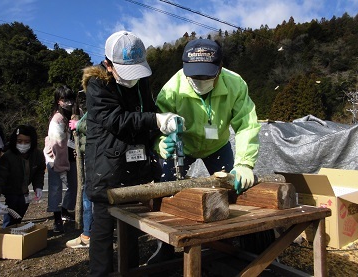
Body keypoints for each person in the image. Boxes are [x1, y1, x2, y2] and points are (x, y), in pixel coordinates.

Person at [151, 38, 261, 263]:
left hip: (217, 145)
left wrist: (245, 163)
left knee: (232, 189)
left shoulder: (236, 84)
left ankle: (226, 241)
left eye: (207, 76)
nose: (200, 81)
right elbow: (155, 124)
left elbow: (247, 124)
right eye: (195, 76)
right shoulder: (171, 89)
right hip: (183, 146)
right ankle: (163, 245)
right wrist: (159, 144)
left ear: (220, 68)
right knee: (166, 190)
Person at [83, 30, 183, 276]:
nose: (133, 79)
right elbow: (116, 120)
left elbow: (146, 113)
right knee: (104, 230)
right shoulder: (97, 86)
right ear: (108, 65)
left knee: (131, 227)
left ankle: (129, 271)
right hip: (106, 168)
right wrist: (156, 120)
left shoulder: (141, 82)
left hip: (134, 165)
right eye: (126, 72)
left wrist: (158, 137)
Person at [0, 125, 45, 227]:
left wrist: (38, 186)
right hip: (10, 190)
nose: (23, 144)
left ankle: (16, 229)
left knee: (21, 209)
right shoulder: (8, 156)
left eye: (27, 142)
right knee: (11, 211)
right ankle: (7, 232)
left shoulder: (37, 155)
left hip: (24, 191)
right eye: (19, 141)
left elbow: (39, 171)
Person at [44, 85, 78, 233]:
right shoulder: (57, 119)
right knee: (56, 188)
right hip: (55, 157)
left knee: (74, 184)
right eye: (65, 99)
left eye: (71, 99)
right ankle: (57, 218)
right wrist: (61, 166)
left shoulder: (75, 113)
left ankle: (65, 210)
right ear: (59, 101)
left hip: (71, 155)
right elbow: (57, 144)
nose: (69, 102)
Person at [65, 112, 93, 248]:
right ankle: (90, 233)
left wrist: (80, 125)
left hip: (96, 157)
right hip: (91, 154)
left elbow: (98, 126)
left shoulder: (101, 100)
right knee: (89, 197)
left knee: (89, 198)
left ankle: (88, 235)